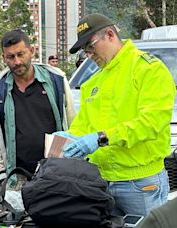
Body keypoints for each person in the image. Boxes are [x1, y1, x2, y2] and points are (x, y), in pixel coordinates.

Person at [55, 13, 176, 216]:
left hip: (140, 183)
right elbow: (83, 125)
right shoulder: (93, 82)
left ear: (110, 34)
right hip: (100, 182)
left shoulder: (148, 70)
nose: (89, 55)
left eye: (91, 47)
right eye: (85, 51)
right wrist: (70, 138)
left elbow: (151, 123)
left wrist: (101, 137)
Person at [0, 29, 75, 190]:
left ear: (31, 51)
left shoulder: (56, 80)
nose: (17, 61)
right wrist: (0, 175)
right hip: (16, 178)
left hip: (56, 173)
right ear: (4, 57)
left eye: (21, 54)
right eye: (10, 57)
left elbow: (73, 122)